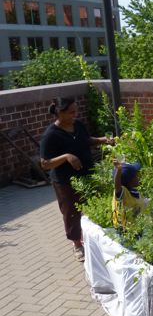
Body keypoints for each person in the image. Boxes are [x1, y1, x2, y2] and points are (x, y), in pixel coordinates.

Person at [39, 97, 113, 261]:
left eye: (76, 110)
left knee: (94, 205)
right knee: (71, 212)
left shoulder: (78, 125)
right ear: (60, 113)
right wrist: (66, 157)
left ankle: (94, 240)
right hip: (66, 181)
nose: (75, 114)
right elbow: (45, 163)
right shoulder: (51, 135)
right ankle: (77, 245)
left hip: (87, 173)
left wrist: (102, 140)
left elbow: (86, 140)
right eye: (71, 112)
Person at [112, 160, 145, 228]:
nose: (139, 177)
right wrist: (119, 170)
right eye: (136, 175)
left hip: (137, 226)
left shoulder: (132, 190)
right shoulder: (123, 193)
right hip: (127, 232)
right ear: (130, 180)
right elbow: (117, 187)